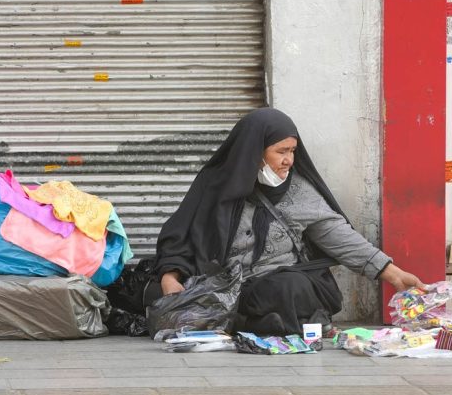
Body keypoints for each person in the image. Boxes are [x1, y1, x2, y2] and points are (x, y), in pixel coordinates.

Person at [152, 107, 426, 335]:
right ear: (255, 150)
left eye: (293, 151)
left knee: (292, 287)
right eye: (281, 151)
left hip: (273, 286)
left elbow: (338, 236)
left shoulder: (299, 192)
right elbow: (180, 235)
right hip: (222, 287)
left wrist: (393, 274)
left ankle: (258, 324)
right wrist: (170, 278)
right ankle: (260, 324)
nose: (288, 160)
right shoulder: (215, 185)